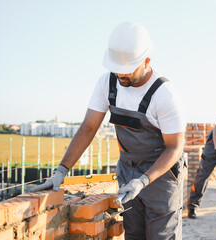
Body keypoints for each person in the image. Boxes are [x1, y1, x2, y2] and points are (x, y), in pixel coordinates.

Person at [31, 22, 185, 240]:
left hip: (161, 175)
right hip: (128, 171)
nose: (121, 75)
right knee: (134, 235)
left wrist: (143, 180)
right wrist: (61, 171)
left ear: (147, 61)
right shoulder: (107, 83)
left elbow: (175, 147)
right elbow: (88, 127)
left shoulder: (164, 95)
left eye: (127, 69)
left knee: (162, 236)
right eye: (116, 69)